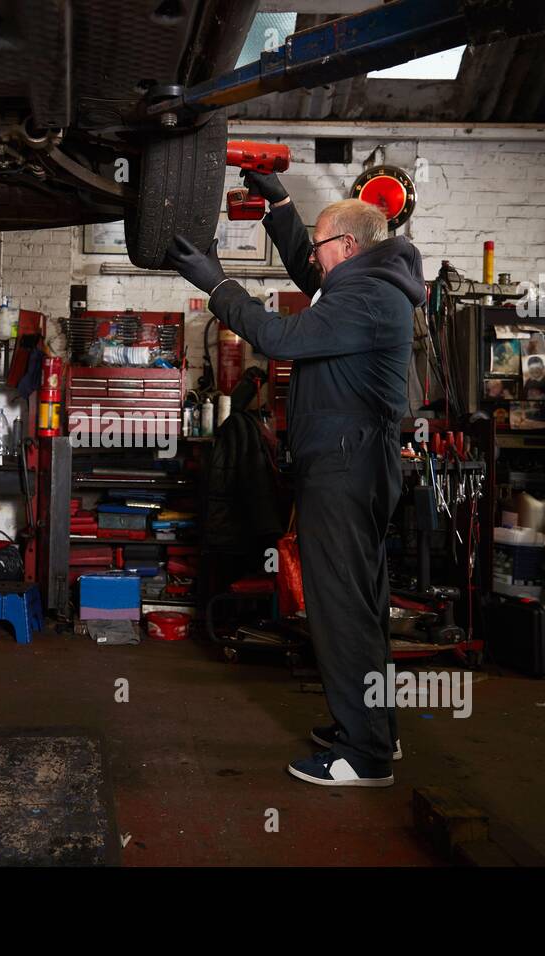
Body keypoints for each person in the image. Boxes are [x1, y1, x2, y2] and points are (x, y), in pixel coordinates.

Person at [166, 171, 425, 787]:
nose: (313, 256)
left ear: (349, 249)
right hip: (353, 461)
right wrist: (281, 205)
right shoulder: (367, 284)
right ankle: (374, 732)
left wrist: (217, 285)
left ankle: (363, 758)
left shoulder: (366, 298)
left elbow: (278, 336)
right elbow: (311, 279)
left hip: (347, 465)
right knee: (360, 603)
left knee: (339, 607)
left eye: (320, 245)